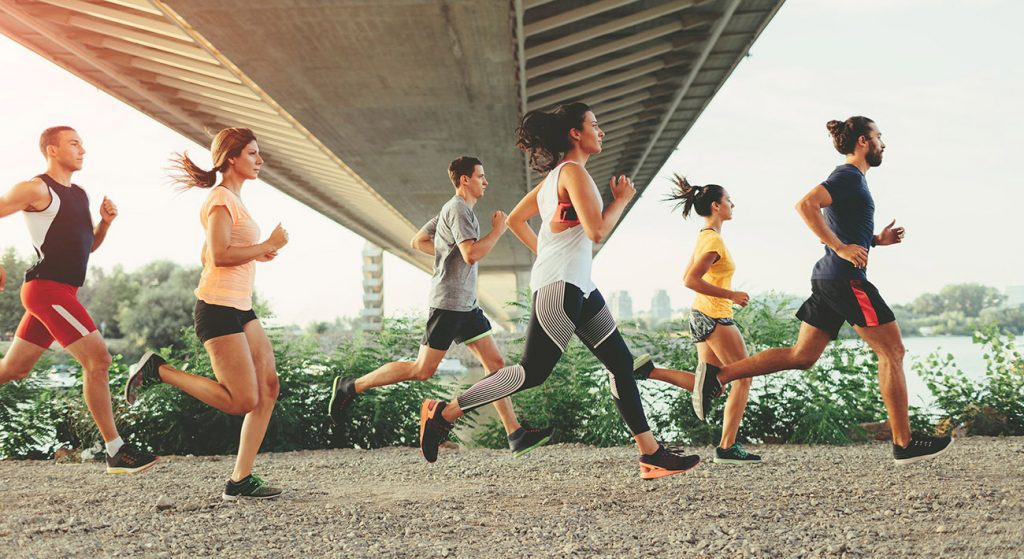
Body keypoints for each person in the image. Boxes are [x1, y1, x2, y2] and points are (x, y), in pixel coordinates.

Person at [417, 103, 701, 479]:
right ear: (575, 134)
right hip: (560, 285)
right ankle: (444, 413)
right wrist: (620, 201)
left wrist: (547, 250)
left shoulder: (554, 179)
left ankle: (651, 454)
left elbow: (517, 220)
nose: (601, 132)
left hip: (580, 285)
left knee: (620, 364)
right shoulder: (572, 174)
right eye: (595, 125)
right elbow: (597, 231)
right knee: (532, 371)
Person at [691, 116, 952, 465]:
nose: (883, 143)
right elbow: (805, 205)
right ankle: (903, 443)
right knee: (893, 351)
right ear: (862, 141)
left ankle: (720, 375)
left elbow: (841, 225)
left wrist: (874, 241)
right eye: (878, 136)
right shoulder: (846, 176)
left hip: (828, 279)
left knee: (802, 356)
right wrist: (842, 248)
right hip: (846, 279)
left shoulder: (853, 181)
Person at [329, 156, 553, 458]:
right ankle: (350, 386)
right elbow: (472, 254)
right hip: (449, 305)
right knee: (422, 370)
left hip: (467, 306)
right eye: (481, 176)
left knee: (496, 365)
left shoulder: (455, 210)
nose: (486, 182)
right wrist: (499, 230)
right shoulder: (459, 209)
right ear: (464, 180)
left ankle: (515, 434)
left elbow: (418, 240)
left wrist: (446, 253)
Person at [126, 127, 289, 498]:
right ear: (232, 158)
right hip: (217, 308)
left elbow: (208, 255)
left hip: (241, 308)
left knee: (268, 387)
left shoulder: (235, 200)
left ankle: (240, 480)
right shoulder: (220, 199)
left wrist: (256, 252)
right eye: (252, 153)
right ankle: (159, 370)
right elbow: (218, 256)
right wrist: (266, 244)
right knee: (242, 399)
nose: (259, 160)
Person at [0, 126, 158, 474]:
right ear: (52, 150)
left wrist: (105, 223)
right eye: (74, 143)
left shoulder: (80, 194)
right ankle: (116, 451)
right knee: (98, 361)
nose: (83, 149)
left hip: (62, 292)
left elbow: (88, 247)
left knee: (13, 370)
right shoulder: (36, 188)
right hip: (46, 290)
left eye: (82, 143)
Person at [633, 175, 761, 464]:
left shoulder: (705, 236)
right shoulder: (712, 240)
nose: (732, 204)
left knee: (712, 384)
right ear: (716, 206)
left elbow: (687, 276)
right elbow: (690, 280)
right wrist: (731, 294)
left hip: (702, 315)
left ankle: (649, 372)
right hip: (715, 316)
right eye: (728, 200)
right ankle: (727, 448)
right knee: (744, 377)